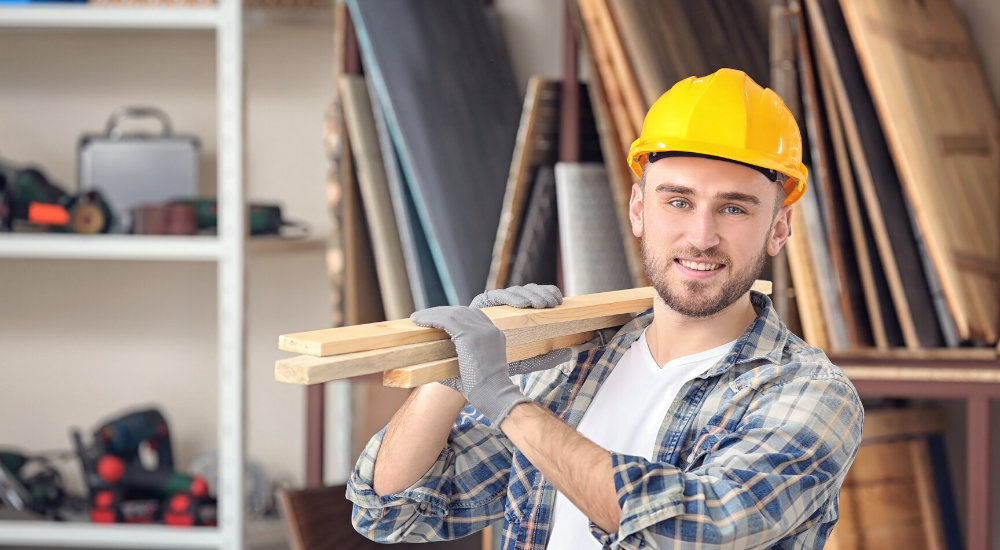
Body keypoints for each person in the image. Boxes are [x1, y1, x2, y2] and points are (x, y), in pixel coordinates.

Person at [346, 68, 863, 549]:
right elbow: (390, 510)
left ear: (779, 227)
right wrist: (458, 373)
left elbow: (688, 529)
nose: (701, 236)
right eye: (678, 202)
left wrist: (507, 404)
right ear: (639, 210)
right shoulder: (573, 366)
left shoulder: (809, 394)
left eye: (733, 208)